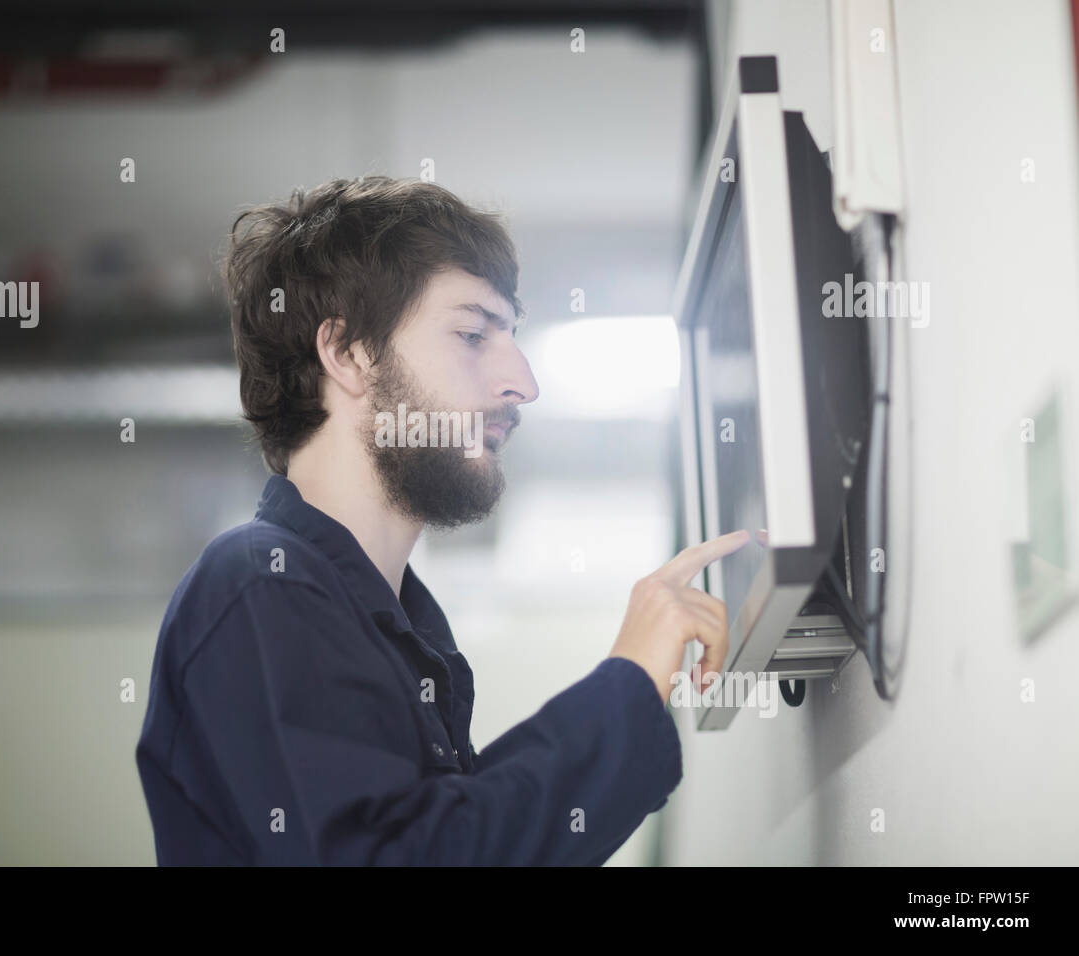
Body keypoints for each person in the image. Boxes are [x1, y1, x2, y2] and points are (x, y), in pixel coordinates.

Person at [135, 175, 749, 865]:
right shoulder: (257, 583)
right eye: (471, 334)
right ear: (347, 354)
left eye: (510, 336)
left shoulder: (394, 628)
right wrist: (628, 683)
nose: (523, 382)